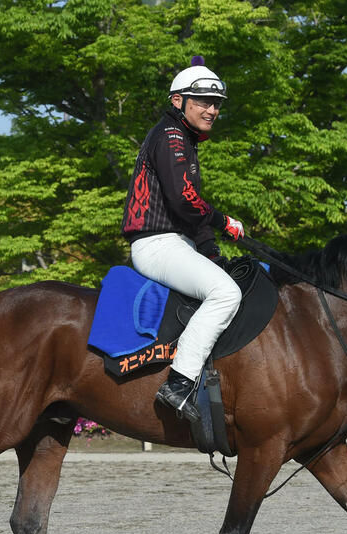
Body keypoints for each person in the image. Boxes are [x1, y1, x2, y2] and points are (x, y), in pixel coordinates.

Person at [121, 58, 245, 423]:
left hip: (174, 242)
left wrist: (211, 249)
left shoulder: (183, 139)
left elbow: (189, 214)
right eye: (203, 101)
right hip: (157, 244)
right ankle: (178, 384)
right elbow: (184, 199)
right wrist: (224, 221)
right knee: (226, 293)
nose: (212, 109)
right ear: (178, 102)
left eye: (217, 103)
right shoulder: (172, 137)